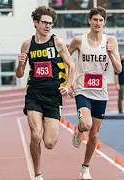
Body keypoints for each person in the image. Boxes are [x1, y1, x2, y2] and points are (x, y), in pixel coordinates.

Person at [15, 5, 75, 180]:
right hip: (34, 93)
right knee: (35, 135)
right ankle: (38, 174)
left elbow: (71, 65)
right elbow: (19, 74)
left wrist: (68, 84)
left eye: (50, 23)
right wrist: (20, 64)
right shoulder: (27, 45)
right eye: (44, 22)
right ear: (35, 23)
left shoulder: (57, 42)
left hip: (53, 96)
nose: (48, 26)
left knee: (49, 143)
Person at [67, 6, 122, 179]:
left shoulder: (110, 40)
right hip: (82, 89)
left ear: (104, 22)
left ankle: (85, 167)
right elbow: (66, 59)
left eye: (101, 20)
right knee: (86, 125)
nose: (98, 23)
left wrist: (111, 54)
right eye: (95, 19)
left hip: (101, 92)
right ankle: (79, 129)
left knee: (95, 134)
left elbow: (119, 69)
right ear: (89, 21)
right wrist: (68, 82)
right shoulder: (78, 40)